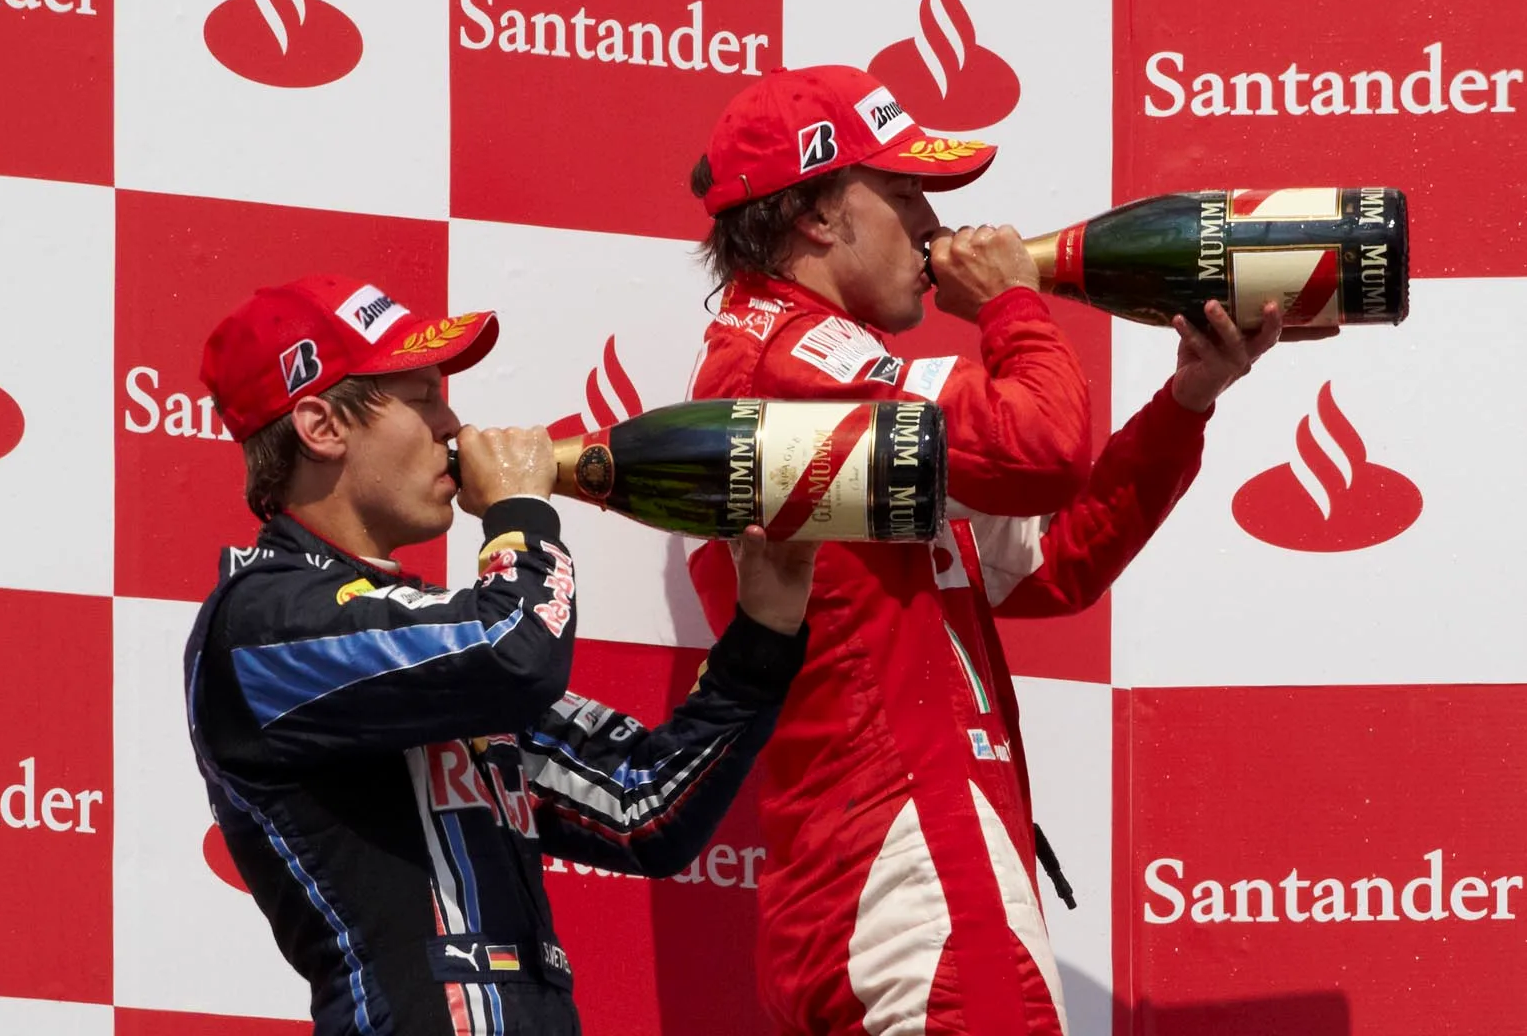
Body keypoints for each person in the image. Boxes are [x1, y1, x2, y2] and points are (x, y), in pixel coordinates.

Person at [682, 65, 1296, 1036]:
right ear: (815, 217)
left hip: (868, 871)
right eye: (902, 194)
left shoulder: (785, 364)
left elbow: (1053, 566)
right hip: (917, 865)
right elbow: (1039, 450)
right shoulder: (798, 364)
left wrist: (1184, 404)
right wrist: (1013, 303)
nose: (931, 227)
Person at [183, 273, 818, 1036]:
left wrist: (762, 632)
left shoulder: (424, 641)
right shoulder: (262, 623)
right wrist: (520, 511)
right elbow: (518, 652)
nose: (452, 423)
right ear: (321, 426)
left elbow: (645, 806)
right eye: (420, 397)